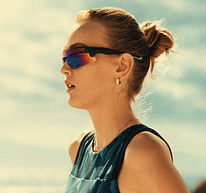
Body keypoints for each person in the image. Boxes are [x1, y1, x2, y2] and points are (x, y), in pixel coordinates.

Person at [60, 7, 190, 193]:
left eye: (77, 56)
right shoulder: (79, 149)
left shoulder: (142, 153)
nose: (64, 68)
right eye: (64, 57)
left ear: (122, 66)